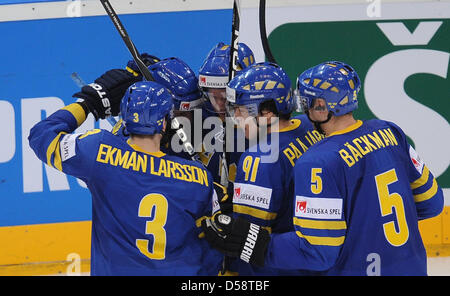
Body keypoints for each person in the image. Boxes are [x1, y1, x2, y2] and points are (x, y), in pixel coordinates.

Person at [201, 61, 444, 276]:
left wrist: (253, 243)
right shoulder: (390, 130)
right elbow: (432, 203)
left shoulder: (317, 161)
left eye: (305, 103)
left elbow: (318, 252)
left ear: (320, 106)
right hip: (412, 266)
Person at [28, 80, 222, 275]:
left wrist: (87, 104)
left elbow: (41, 134)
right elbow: (212, 248)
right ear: (164, 122)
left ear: (123, 117)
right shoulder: (199, 177)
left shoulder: (98, 151)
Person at [223, 62, 321, 275]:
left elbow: (247, 241)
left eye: (241, 110)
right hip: (315, 260)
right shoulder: (309, 125)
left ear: (267, 113)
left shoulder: (258, 160)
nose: (236, 118)